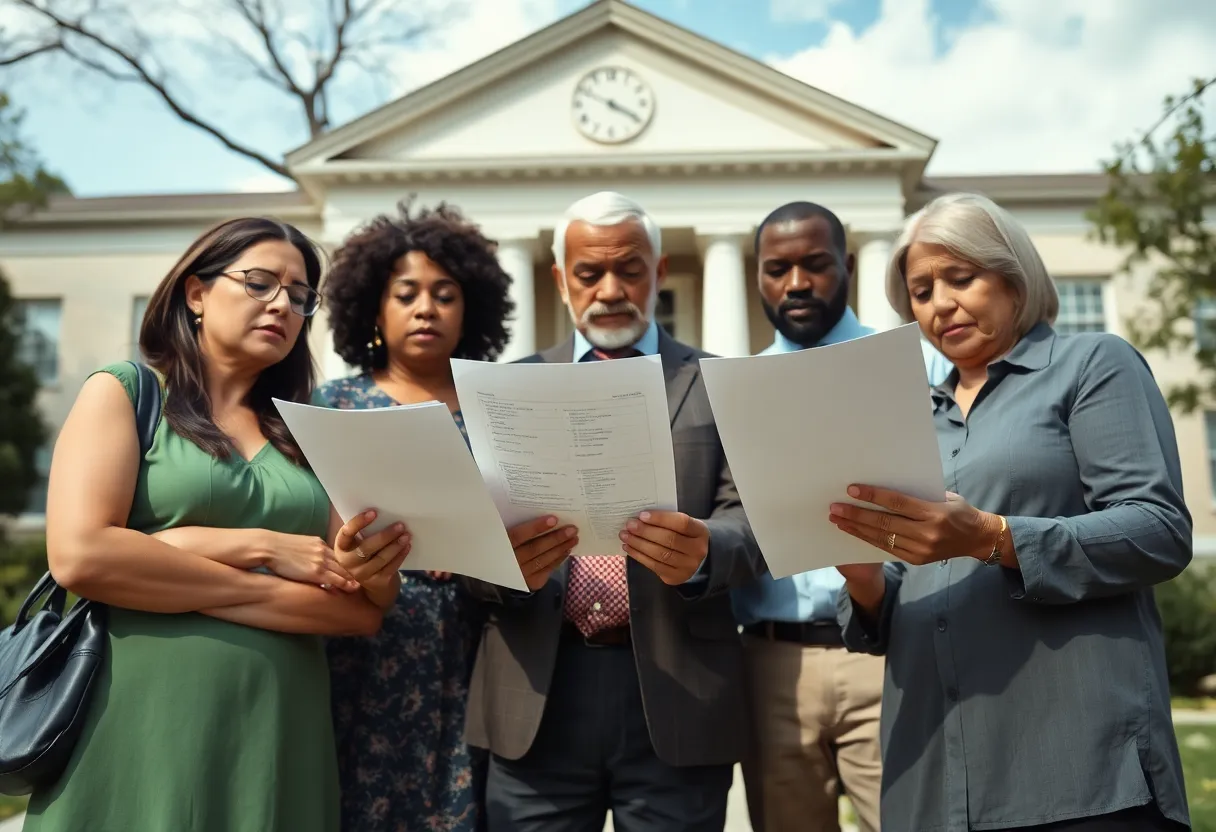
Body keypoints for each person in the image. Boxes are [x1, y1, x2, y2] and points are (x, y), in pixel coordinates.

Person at [25, 217, 408, 832]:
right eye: (259, 283)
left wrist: (167, 552)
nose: (282, 304)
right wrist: (264, 552)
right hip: (134, 722)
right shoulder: (124, 393)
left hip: (279, 734)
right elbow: (81, 558)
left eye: (300, 296)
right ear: (196, 293)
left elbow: (360, 609)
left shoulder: (313, 435)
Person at [828, 192, 1192, 831]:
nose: (940, 304)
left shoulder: (1090, 366)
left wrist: (994, 538)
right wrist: (861, 578)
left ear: (1013, 275)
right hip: (932, 782)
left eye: (960, 278)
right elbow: (907, 590)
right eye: (920, 291)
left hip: (1079, 775)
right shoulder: (906, 418)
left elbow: (1157, 530)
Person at [461, 191, 766, 832]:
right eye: (589, 273)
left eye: (629, 269)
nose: (610, 289)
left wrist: (707, 549)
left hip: (677, 691)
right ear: (560, 280)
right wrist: (500, 560)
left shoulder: (724, 382)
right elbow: (470, 538)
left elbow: (756, 521)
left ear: (658, 271)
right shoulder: (506, 389)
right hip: (536, 694)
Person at [733, 200, 951, 832]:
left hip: (895, 655)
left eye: (814, 264)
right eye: (777, 269)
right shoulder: (735, 388)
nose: (796, 283)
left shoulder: (916, 369)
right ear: (758, 278)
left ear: (848, 266)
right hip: (775, 664)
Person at [313, 200, 514, 832]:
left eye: (445, 294)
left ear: (470, 309)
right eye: (407, 293)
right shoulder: (332, 406)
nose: (427, 307)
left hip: (481, 650)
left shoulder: (499, 407)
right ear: (374, 308)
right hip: (366, 649)